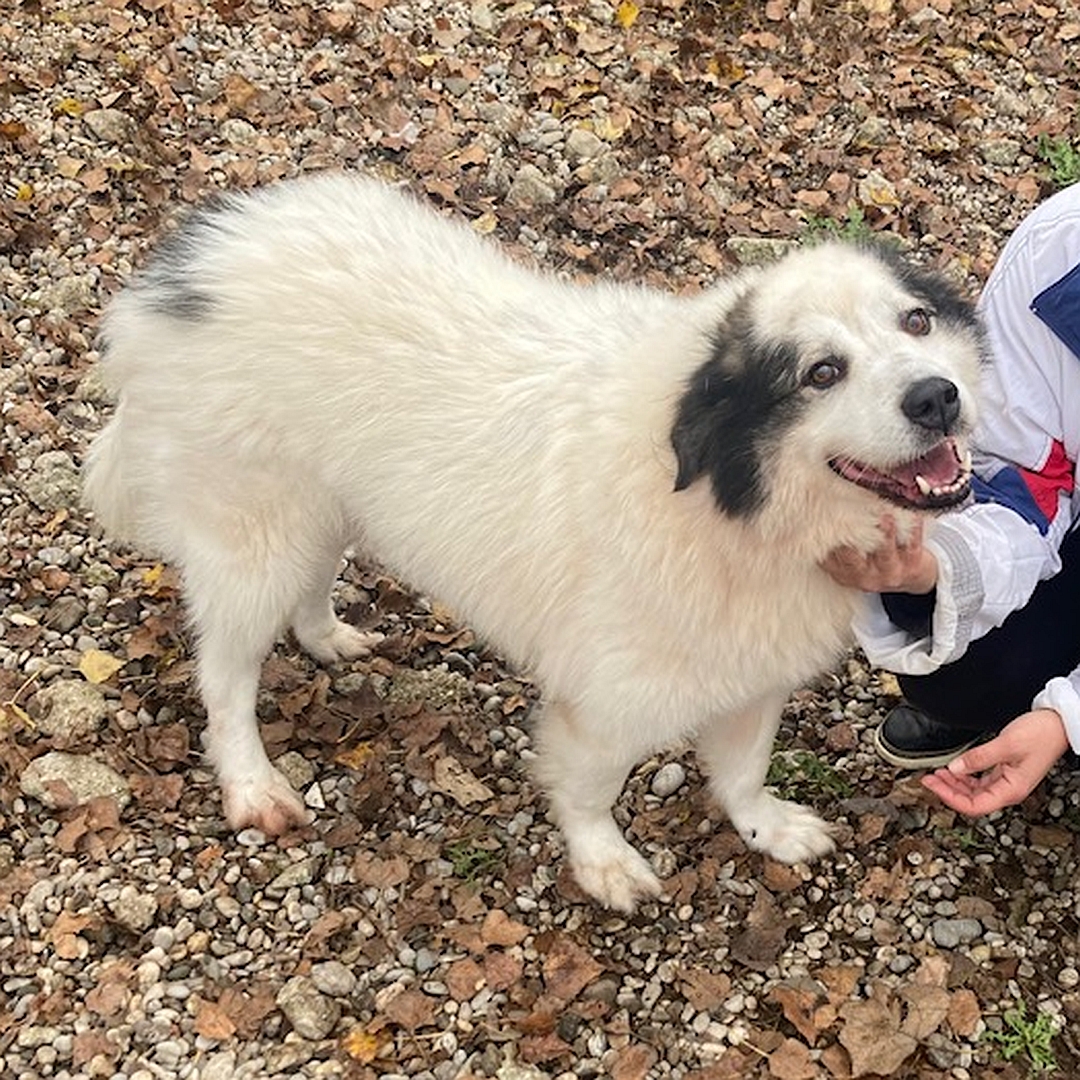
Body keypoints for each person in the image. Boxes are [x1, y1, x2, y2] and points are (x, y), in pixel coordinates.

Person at [823, 181, 1080, 817]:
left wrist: (1065, 717)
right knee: (940, 637)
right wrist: (932, 570)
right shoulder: (1060, 250)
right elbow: (1025, 470)